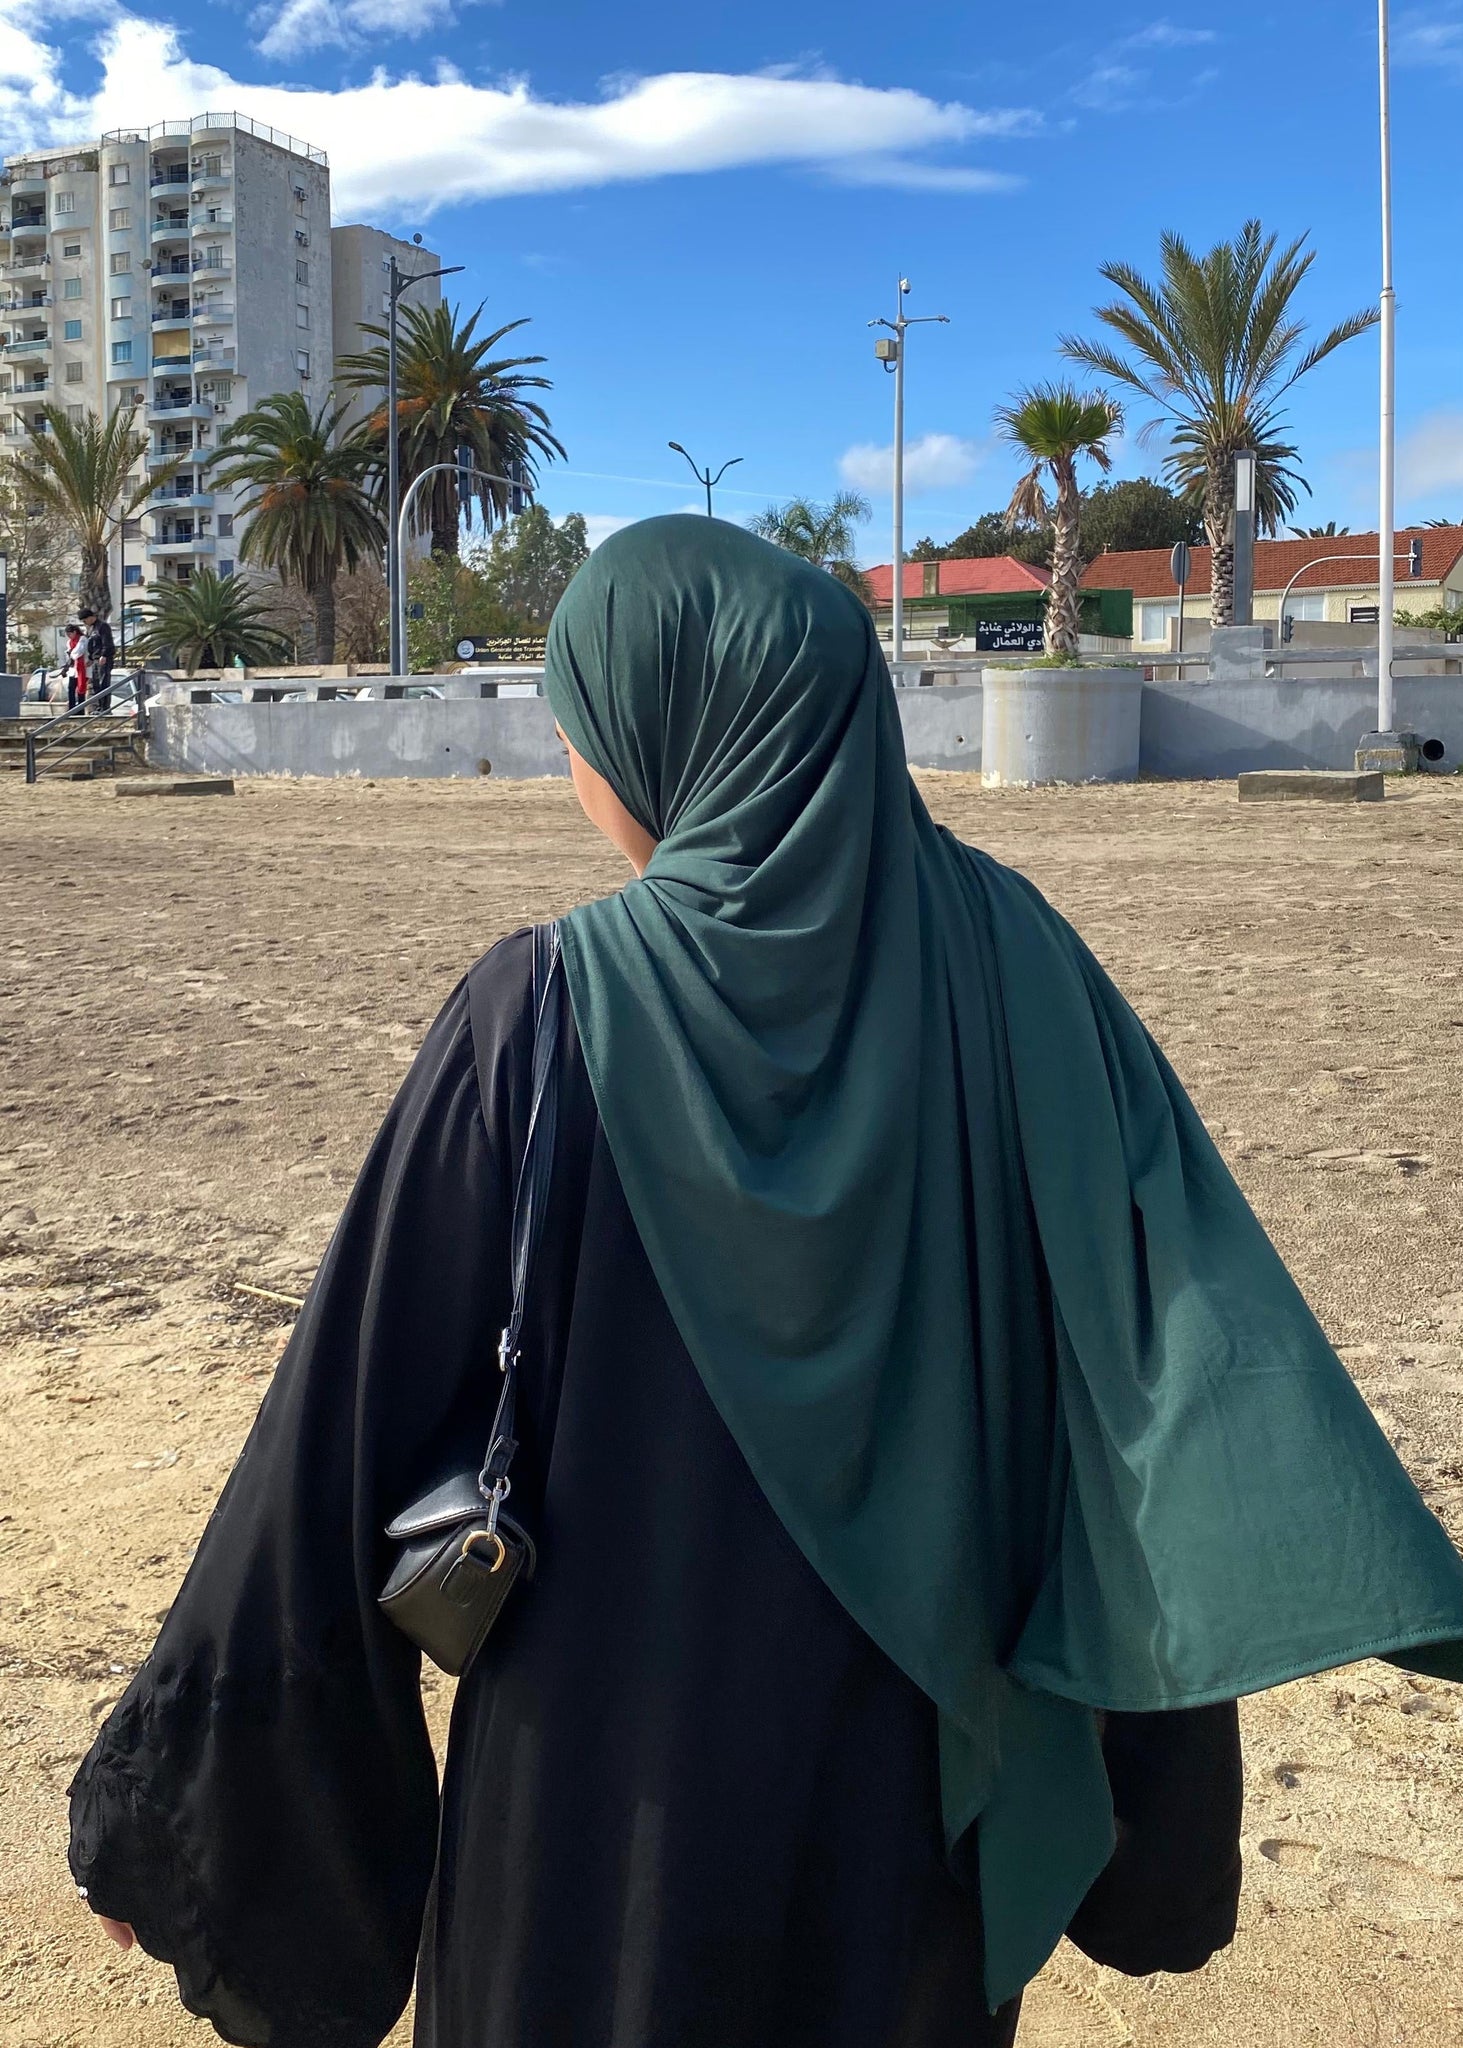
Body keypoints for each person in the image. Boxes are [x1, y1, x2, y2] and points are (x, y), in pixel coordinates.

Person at [68, 517, 1463, 2048]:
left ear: (673, 728)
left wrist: (178, 1816)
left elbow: (342, 1426)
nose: (572, 754)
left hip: (596, 1831)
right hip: (912, 1818)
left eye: (582, 719)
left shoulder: (543, 1010)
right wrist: (1159, 1815)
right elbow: (1163, 1378)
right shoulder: (1022, 970)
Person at [80, 607, 115, 712]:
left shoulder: (102, 626)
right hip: (95, 659)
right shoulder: (92, 628)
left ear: (90, 617)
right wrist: (91, 658)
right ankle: (99, 706)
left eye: (85, 620)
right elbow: (92, 645)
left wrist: (104, 655)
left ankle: (105, 707)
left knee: (103, 683)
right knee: (96, 684)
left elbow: (107, 642)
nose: (85, 623)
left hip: (103, 659)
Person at [62, 623, 86, 714]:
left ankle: (81, 709)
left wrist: (71, 654)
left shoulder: (82, 639)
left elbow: (79, 652)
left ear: (74, 632)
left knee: (81, 688)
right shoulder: (69, 642)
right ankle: (72, 708)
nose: (69, 636)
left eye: (70, 634)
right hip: (73, 668)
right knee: (71, 688)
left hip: (81, 667)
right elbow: (69, 653)